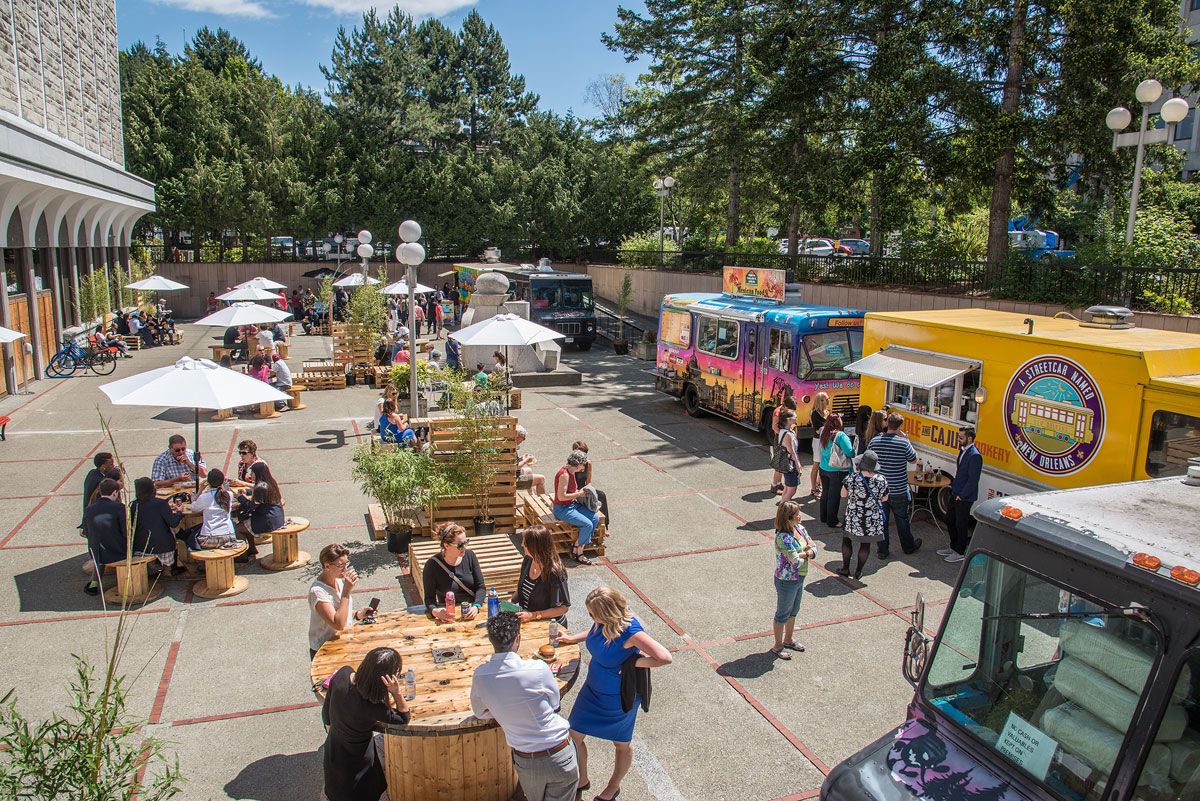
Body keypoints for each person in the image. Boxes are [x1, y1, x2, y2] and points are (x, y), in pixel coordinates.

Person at [557, 587, 672, 801]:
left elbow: (664, 657)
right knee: (574, 734)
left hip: (618, 698)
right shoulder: (602, 622)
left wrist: (635, 662)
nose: (592, 619)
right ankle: (582, 779)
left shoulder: (631, 631)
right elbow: (594, 633)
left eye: (593, 615)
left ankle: (612, 787)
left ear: (607, 613)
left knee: (621, 744)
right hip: (592, 690)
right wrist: (573, 638)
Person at [471, 612, 579, 801]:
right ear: (518, 639)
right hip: (560, 754)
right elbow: (554, 703)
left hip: (527, 762)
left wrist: (504, 708)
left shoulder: (481, 676)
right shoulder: (538, 668)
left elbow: (480, 712)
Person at [322, 647, 410, 801]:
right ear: (384, 680)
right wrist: (396, 693)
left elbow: (326, 711)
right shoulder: (373, 707)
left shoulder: (343, 674)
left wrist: (332, 728)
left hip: (334, 752)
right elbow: (403, 718)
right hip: (359, 765)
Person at [868, 412, 922, 558]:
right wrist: (906, 439)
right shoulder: (903, 443)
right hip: (898, 489)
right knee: (902, 519)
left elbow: (869, 462)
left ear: (887, 424)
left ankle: (882, 550)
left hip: (880, 490)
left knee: (882, 521)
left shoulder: (875, 441)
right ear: (899, 427)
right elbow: (913, 460)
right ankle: (908, 547)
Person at [310, 543, 371, 658]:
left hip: (342, 642)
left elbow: (339, 609)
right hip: (325, 650)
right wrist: (347, 591)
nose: (345, 568)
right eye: (340, 565)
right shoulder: (317, 592)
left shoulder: (337, 580)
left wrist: (358, 614)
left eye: (346, 563)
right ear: (327, 566)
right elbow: (338, 624)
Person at [771, 500, 815, 659]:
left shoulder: (800, 529)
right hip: (787, 580)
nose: (800, 516)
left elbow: (813, 545)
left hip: (800, 577)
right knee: (783, 613)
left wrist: (806, 552)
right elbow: (795, 561)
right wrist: (808, 553)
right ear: (788, 518)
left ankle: (788, 639)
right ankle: (777, 645)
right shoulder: (783, 537)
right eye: (797, 514)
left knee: (794, 610)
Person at [839, 451, 889, 579]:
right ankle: (858, 571)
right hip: (871, 520)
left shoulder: (852, 478)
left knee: (847, 541)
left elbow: (843, 495)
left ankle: (845, 568)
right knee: (865, 545)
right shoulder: (882, 480)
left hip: (853, 517)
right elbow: (884, 499)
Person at [422, 523, 486, 620]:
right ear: (446, 545)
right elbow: (429, 598)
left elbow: (481, 587)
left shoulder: (470, 556)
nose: (464, 547)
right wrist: (435, 611)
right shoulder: (432, 565)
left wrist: (476, 606)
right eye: (460, 545)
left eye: (466, 542)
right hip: (448, 614)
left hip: (471, 611)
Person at [512, 526, 570, 626]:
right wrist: (509, 602)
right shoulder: (528, 560)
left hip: (550, 625)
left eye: (525, 543)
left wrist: (533, 615)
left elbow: (563, 608)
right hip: (528, 620)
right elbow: (522, 588)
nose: (521, 545)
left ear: (535, 546)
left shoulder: (555, 573)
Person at [130, 476, 185, 576]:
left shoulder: (133, 505)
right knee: (173, 531)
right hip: (163, 546)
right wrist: (179, 513)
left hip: (141, 546)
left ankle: (155, 567)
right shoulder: (160, 504)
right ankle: (174, 567)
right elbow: (173, 523)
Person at [553, 450, 600, 565]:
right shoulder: (564, 474)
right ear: (578, 463)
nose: (584, 466)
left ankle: (576, 545)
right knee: (587, 524)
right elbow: (561, 497)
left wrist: (580, 491)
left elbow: (571, 491)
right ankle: (579, 553)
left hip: (572, 505)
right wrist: (579, 494)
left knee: (595, 518)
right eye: (583, 464)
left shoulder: (571, 471)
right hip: (562, 508)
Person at [943, 427, 982, 564]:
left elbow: (973, 479)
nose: (958, 440)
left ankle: (960, 551)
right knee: (949, 520)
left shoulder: (975, 455)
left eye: (961, 437)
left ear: (969, 438)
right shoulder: (964, 451)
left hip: (964, 496)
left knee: (961, 523)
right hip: (956, 491)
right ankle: (953, 547)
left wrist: (962, 495)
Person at [82, 478, 127, 596]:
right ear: (115, 493)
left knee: (101, 551)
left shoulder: (88, 510)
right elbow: (126, 531)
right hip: (117, 551)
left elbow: (86, 532)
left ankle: (94, 583)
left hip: (95, 552)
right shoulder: (119, 508)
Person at [818, 413, 855, 530]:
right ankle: (832, 521)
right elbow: (850, 452)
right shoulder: (841, 436)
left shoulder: (823, 431)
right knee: (834, 496)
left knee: (825, 493)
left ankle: (824, 517)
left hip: (823, 467)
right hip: (837, 470)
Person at [233, 481, 284, 561]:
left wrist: (239, 497)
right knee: (246, 523)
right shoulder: (271, 493)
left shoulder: (259, 498)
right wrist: (246, 492)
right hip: (278, 520)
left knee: (238, 528)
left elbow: (249, 506)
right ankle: (252, 549)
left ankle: (241, 557)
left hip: (267, 523)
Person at [190, 469, 238, 550]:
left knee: (190, 537)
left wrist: (200, 491)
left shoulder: (204, 497)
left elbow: (193, 509)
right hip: (229, 536)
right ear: (222, 481)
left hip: (209, 539)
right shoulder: (229, 495)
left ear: (208, 483)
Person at [570, 439, 610, 529]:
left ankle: (605, 526)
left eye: (585, 453)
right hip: (575, 490)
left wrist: (588, 490)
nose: (584, 456)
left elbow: (588, 482)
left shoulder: (588, 463)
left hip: (584, 489)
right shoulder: (572, 465)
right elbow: (571, 483)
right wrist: (579, 493)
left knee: (601, 495)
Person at [80, 452, 115, 533]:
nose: (113, 467)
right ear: (103, 467)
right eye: (111, 465)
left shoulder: (92, 472)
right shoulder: (99, 482)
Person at [769, 396, 797, 493]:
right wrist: (783, 435)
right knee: (780, 463)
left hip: (785, 436)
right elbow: (774, 426)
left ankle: (778, 483)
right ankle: (774, 485)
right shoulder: (778, 412)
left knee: (783, 462)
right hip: (780, 439)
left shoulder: (785, 411)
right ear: (785, 406)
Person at [775, 410, 803, 506]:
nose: (796, 418)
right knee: (792, 490)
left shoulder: (785, 431)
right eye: (795, 417)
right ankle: (782, 510)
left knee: (787, 488)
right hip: (790, 464)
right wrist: (798, 465)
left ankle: (781, 509)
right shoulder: (787, 434)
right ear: (789, 420)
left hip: (787, 462)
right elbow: (792, 451)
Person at [809, 392, 831, 496]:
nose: (828, 401)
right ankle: (813, 488)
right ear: (820, 401)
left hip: (827, 439)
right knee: (816, 464)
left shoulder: (827, 412)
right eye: (826, 399)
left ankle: (819, 484)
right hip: (818, 440)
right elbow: (817, 430)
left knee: (824, 463)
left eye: (828, 399)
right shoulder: (815, 413)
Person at [515, 424, 547, 495]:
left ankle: (532, 495)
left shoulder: (508, 445)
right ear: (517, 437)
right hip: (513, 480)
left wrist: (521, 459)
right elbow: (516, 467)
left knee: (528, 470)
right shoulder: (511, 449)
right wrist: (526, 460)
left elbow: (513, 464)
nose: (523, 440)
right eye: (523, 438)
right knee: (541, 479)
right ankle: (542, 502)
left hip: (509, 476)